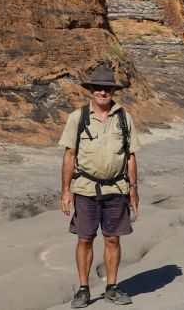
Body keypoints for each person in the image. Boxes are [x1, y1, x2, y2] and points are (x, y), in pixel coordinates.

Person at [59, 65, 140, 308]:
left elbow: (131, 156)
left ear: (113, 91)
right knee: (84, 239)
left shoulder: (124, 118)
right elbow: (69, 155)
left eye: (107, 88)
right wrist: (65, 191)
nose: (102, 92)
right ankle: (83, 290)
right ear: (91, 90)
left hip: (117, 189)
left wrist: (133, 189)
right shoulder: (78, 117)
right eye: (98, 88)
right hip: (85, 189)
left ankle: (112, 287)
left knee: (113, 239)